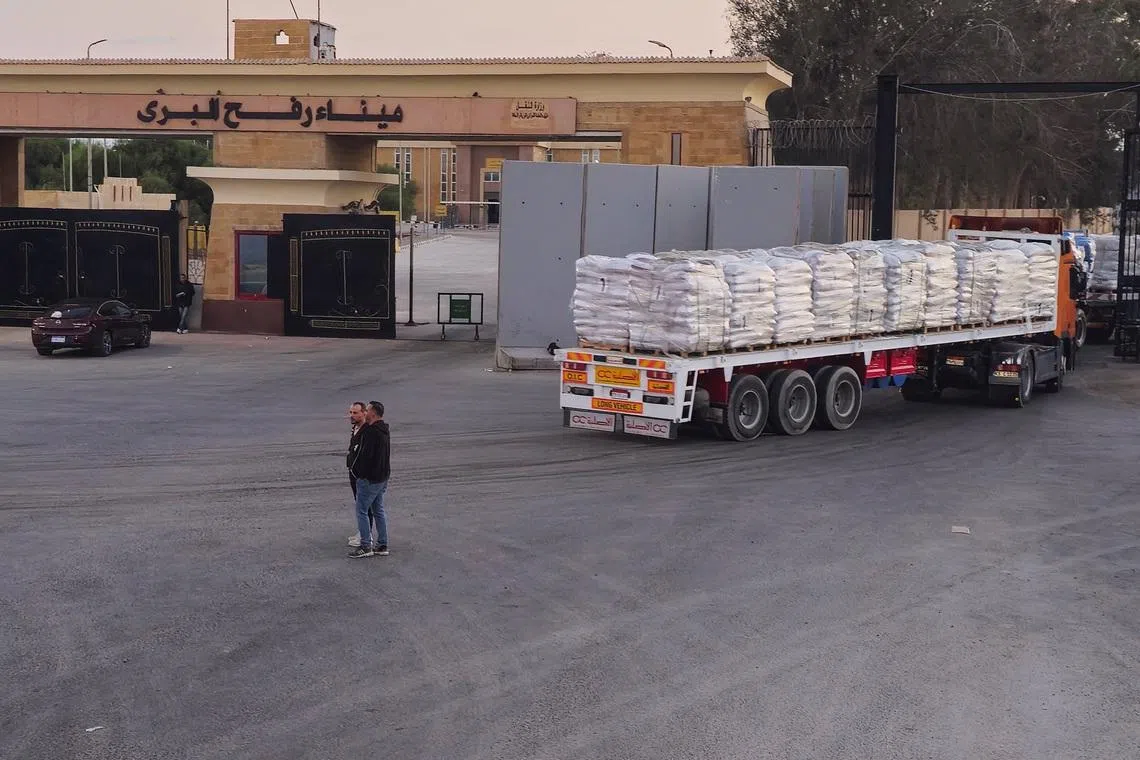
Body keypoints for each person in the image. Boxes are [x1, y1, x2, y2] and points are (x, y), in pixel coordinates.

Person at [347, 401, 391, 558]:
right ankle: (382, 545)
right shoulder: (384, 430)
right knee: (378, 510)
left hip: (369, 480)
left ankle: (366, 545)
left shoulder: (371, 432)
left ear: (371, 413)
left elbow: (365, 457)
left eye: (368, 409)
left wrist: (358, 472)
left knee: (362, 510)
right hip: (382, 478)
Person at [345, 401, 372, 548]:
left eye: (355, 413)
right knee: (359, 502)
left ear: (364, 413)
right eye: (351, 412)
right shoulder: (355, 428)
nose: (352, 415)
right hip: (353, 472)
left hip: (362, 474)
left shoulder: (366, 430)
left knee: (365, 505)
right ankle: (362, 532)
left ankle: (366, 535)